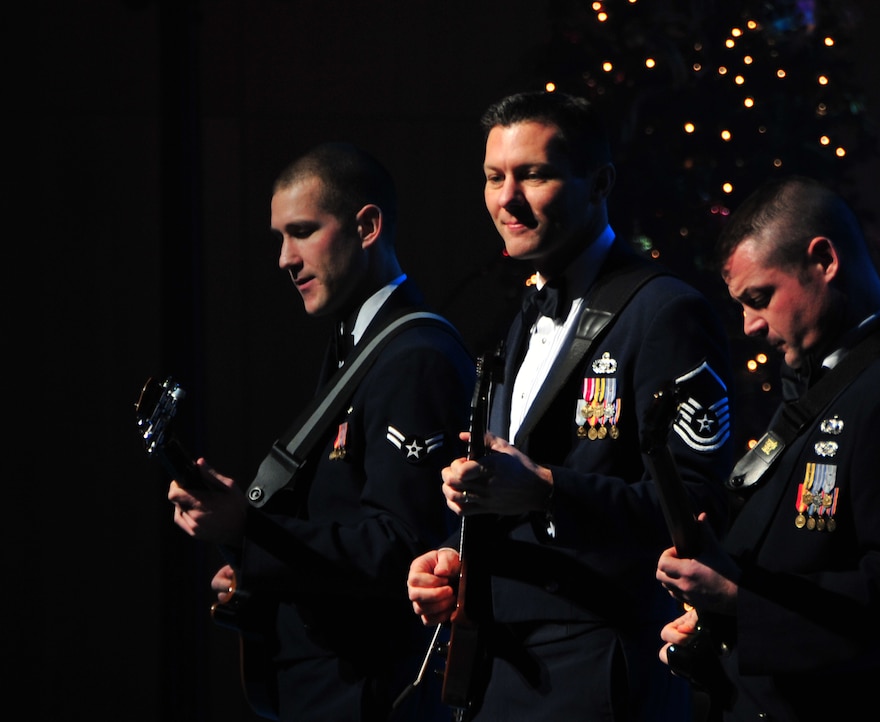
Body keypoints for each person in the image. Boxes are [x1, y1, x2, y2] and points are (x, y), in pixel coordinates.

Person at [405, 90, 735, 722]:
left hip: (604, 671)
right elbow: (512, 490)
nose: (507, 198)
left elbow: (701, 505)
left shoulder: (665, 311)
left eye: (535, 174)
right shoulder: (521, 316)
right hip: (501, 670)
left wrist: (549, 490)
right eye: (494, 177)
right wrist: (455, 552)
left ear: (599, 182)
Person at [166, 142, 477, 721]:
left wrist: (252, 532)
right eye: (280, 237)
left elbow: (407, 547)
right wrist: (250, 549)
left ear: (366, 226)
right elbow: (341, 517)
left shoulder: (416, 356)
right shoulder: (354, 344)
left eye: (303, 231)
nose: (285, 258)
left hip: (373, 694)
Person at [656, 175, 880, 721]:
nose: (750, 326)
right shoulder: (832, 385)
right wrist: (717, 614)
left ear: (824, 260)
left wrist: (742, 604)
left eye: (759, 298)